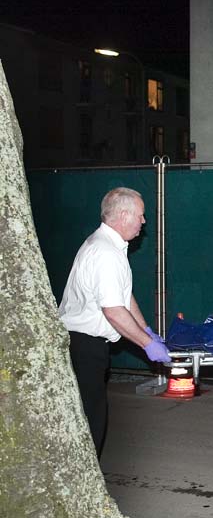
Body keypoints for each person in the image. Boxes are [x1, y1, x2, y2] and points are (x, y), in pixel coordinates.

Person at [59, 187, 171, 456]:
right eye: (141, 216)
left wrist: (145, 330)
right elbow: (113, 311)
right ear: (123, 215)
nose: (144, 222)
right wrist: (147, 345)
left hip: (84, 345)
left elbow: (123, 297)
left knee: (92, 418)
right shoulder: (105, 253)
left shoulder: (108, 246)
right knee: (90, 424)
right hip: (83, 346)